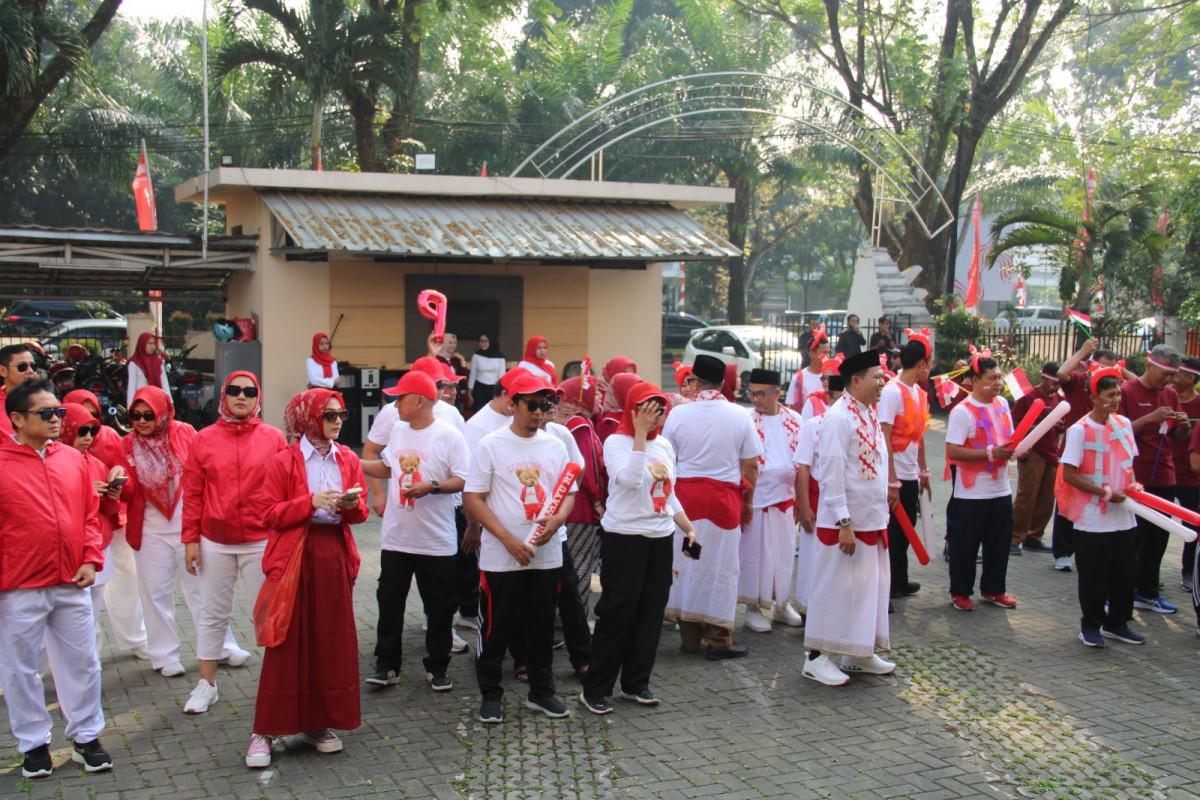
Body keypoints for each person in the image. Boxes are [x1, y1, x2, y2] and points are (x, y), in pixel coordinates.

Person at [246, 388, 368, 768]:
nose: (336, 422)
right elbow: (266, 512)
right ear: (308, 418)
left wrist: (351, 505)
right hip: (295, 555)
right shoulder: (285, 459)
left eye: (341, 415)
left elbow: (361, 513)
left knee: (329, 641)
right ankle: (264, 730)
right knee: (286, 642)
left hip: (332, 555)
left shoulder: (346, 457)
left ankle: (318, 722)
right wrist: (309, 503)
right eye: (328, 415)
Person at [0, 380, 113, 778]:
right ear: (17, 418)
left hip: (71, 581)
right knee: (19, 668)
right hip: (18, 586)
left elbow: (88, 513)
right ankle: (33, 745)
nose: (55, 420)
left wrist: (90, 559)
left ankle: (86, 738)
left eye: (58, 412)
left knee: (83, 662)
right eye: (45, 413)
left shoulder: (71, 459)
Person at [464, 372, 577, 724]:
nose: (540, 412)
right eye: (532, 404)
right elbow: (474, 497)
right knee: (496, 628)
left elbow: (568, 492)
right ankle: (491, 695)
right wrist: (507, 539)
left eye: (545, 405)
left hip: (545, 556)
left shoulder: (555, 445)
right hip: (502, 558)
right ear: (512, 404)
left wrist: (557, 521)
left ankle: (542, 693)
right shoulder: (491, 444)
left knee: (543, 626)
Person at [579, 382, 698, 714]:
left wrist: (687, 526)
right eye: (646, 408)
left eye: (659, 408)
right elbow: (630, 480)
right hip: (625, 538)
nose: (654, 415)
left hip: (659, 538)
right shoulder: (616, 442)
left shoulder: (666, 446)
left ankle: (636, 683)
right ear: (632, 410)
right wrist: (641, 436)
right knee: (617, 613)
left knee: (650, 613)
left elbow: (668, 492)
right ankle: (596, 688)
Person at [180, 371, 288, 714]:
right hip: (216, 541)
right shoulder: (203, 439)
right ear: (224, 395)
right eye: (235, 391)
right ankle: (206, 684)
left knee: (270, 614)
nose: (242, 396)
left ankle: (277, 684)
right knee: (213, 614)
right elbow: (193, 492)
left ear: (258, 397)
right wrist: (190, 540)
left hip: (261, 540)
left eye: (250, 391)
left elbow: (287, 489)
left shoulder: (274, 438)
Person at [123, 386, 246, 677]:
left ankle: (223, 647)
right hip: (150, 531)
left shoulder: (185, 433)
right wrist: (117, 482)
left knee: (204, 590)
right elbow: (128, 488)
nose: (141, 421)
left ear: (163, 412)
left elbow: (204, 472)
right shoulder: (126, 445)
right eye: (135, 415)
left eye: (148, 415)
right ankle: (164, 656)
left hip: (189, 528)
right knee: (155, 594)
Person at [360, 371, 471, 692]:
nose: (394, 405)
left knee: (440, 606)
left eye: (400, 398)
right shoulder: (396, 430)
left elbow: (465, 479)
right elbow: (386, 467)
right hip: (396, 538)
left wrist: (432, 487)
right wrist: (349, 461)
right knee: (389, 601)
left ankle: (437, 667)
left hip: (436, 540)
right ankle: (386, 665)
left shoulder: (448, 435)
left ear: (419, 400)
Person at [802, 351, 894, 685]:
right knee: (834, 590)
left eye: (883, 377)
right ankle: (816, 657)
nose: (883, 382)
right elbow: (830, 473)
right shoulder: (838, 418)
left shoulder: (869, 412)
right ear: (855, 381)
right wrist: (844, 521)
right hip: (844, 524)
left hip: (871, 519)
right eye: (876, 377)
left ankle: (858, 653)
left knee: (866, 589)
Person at [662, 354, 761, 660]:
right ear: (725, 382)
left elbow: (667, 460)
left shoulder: (679, 415)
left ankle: (690, 636)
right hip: (722, 502)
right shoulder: (739, 414)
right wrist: (748, 501)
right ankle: (719, 639)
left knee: (689, 563)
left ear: (696, 381)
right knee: (721, 567)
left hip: (686, 502)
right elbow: (751, 465)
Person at [1057, 368, 1145, 648]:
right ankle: (1091, 625)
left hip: (1124, 516)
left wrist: (1133, 485)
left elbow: (1128, 466)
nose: (1116, 399)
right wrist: (1105, 493)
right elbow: (1069, 474)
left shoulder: (1124, 425)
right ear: (1094, 397)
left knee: (1125, 574)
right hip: (1092, 518)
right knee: (1094, 577)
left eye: (1118, 393)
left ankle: (1118, 622)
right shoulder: (1079, 431)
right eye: (1110, 395)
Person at [63, 389, 148, 659]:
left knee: (118, 584)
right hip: (69, 541)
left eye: (94, 421)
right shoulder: (54, 459)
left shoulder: (107, 441)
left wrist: (116, 485)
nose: (88, 434)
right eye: (81, 425)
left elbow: (122, 473)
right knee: (75, 609)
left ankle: (129, 640)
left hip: (106, 530)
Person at [1118, 344, 1190, 614]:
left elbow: (1176, 438)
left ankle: (1148, 592)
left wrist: (1182, 426)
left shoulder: (1170, 394)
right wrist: (1149, 417)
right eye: (1165, 374)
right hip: (1135, 475)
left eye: (1173, 375)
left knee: (1158, 539)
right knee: (1131, 539)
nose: (1169, 381)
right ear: (1149, 365)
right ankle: (1122, 594)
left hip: (1165, 475)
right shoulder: (1125, 391)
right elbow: (1117, 432)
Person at [945, 352, 1018, 612]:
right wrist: (990, 453)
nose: (997, 383)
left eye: (999, 378)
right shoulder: (962, 412)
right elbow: (953, 451)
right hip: (972, 493)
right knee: (966, 546)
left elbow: (1007, 440)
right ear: (974, 380)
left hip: (1001, 488)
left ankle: (993, 589)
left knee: (998, 544)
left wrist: (1019, 449)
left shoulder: (1002, 405)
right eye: (991, 378)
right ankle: (960, 592)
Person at [1054, 339, 1132, 571]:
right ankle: (1063, 551)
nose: (1115, 398)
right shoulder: (1080, 383)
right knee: (1068, 503)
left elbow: (1136, 384)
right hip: (1079, 449)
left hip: (1107, 454)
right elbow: (1062, 372)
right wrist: (1083, 352)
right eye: (1101, 367)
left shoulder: (1118, 408)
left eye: (1111, 369)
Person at [739, 369, 805, 632]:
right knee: (754, 554)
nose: (754, 399)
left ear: (777, 393)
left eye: (760, 394)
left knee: (783, 553)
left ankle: (781, 604)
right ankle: (752, 608)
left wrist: (801, 498)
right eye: (750, 393)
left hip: (785, 499)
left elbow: (802, 463)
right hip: (756, 499)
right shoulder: (746, 420)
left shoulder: (795, 420)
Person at [59, 404, 124, 654]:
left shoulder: (96, 464)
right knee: (67, 620)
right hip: (70, 551)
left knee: (91, 616)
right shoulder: (55, 465)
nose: (87, 438)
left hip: (99, 546)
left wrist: (111, 494)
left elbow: (109, 512)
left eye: (92, 431)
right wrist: (86, 493)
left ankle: (88, 664)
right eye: (81, 431)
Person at [879, 335, 933, 600]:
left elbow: (920, 436)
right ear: (922, 364)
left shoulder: (918, 392)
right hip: (895, 473)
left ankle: (900, 579)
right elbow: (884, 437)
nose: (931, 368)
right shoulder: (891, 392)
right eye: (930, 363)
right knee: (894, 530)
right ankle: (889, 583)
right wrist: (891, 480)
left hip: (910, 472)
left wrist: (924, 472)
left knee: (908, 526)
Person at [793, 373, 844, 619]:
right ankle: (808, 607)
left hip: (844, 501)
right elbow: (803, 466)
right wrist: (804, 505)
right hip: (817, 497)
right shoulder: (814, 425)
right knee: (811, 557)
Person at [555, 376, 607, 611]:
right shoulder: (579, 425)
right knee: (581, 564)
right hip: (582, 507)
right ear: (581, 398)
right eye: (594, 393)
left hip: (572, 505)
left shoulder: (573, 423)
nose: (599, 397)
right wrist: (597, 500)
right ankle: (578, 619)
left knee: (574, 563)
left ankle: (567, 617)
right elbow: (584, 468)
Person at [1011, 364, 1064, 556]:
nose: (1055, 386)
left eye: (1058, 383)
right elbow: (1014, 422)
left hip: (1052, 452)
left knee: (1047, 499)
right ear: (1043, 377)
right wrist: (1034, 427)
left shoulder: (1058, 398)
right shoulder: (1028, 397)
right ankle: (1014, 537)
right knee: (1027, 496)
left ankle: (1034, 537)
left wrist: (1058, 426)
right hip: (1033, 452)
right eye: (1053, 382)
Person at [1171, 358, 1200, 591]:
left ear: (1190, 378)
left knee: (1193, 528)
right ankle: (1147, 577)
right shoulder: (1167, 398)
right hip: (1164, 476)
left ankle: (1188, 571)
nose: (1173, 376)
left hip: (1192, 480)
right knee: (1155, 530)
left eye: (1178, 373)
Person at [0, 343, 39, 435]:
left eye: (33, 366)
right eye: (22, 367)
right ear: (3, 371)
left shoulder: (48, 399)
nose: (30, 371)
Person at [786, 330, 829, 412]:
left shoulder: (833, 376)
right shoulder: (799, 377)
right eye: (824, 353)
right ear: (812, 353)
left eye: (828, 353)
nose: (827, 357)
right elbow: (792, 407)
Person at [127, 332, 171, 408]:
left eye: (154, 344)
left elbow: (164, 383)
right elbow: (132, 385)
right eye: (149, 343)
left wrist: (170, 401)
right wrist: (130, 406)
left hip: (157, 400)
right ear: (142, 344)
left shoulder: (158, 362)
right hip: (141, 401)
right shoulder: (134, 363)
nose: (152, 346)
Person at [596, 373, 643, 443]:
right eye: (635, 391)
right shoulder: (609, 424)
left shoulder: (642, 417)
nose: (640, 396)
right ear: (625, 393)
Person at [468, 334, 507, 413]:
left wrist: (502, 393)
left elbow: (502, 377)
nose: (483, 343)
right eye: (481, 341)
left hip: (494, 389)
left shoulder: (500, 357)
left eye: (485, 341)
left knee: (494, 412)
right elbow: (472, 375)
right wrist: (469, 393)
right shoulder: (476, 356)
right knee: (479, 412)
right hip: (479, 388)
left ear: (491, 341)